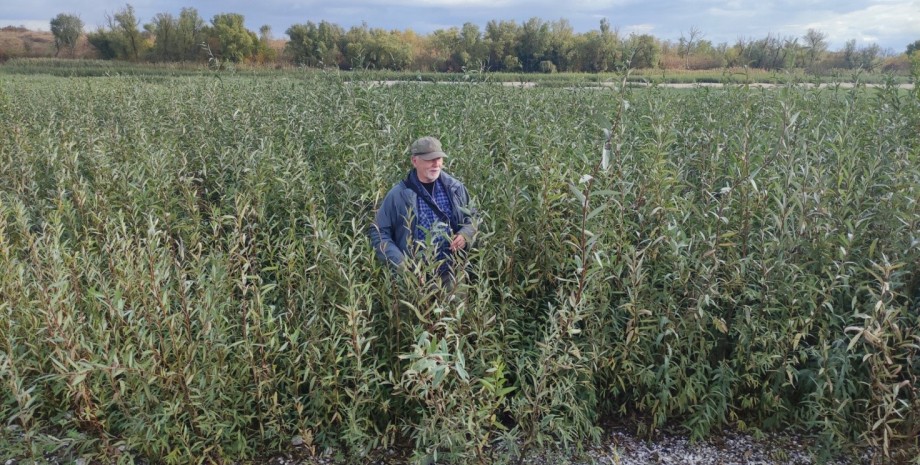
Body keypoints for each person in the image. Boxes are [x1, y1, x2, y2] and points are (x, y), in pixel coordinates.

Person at [369, 136, 476, 283]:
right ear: (414, 161)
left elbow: (474, 218)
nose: (436, 164)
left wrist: (465, 234)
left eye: (439, 158)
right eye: (429, 159)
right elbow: (379, 232)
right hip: (415, 280)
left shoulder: (455, 188)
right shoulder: (398, 195)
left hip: (452, 276)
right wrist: (402, 266)